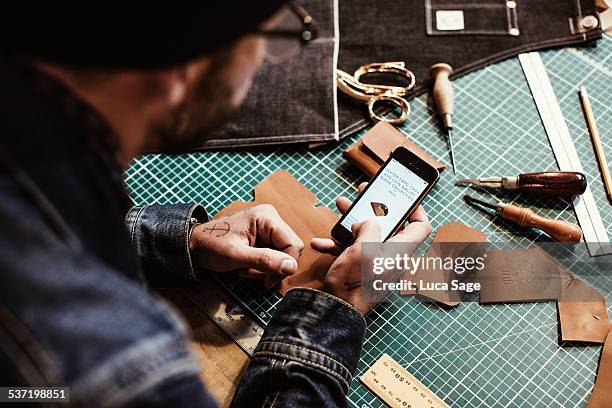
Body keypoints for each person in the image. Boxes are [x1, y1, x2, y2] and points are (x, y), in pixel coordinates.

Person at [0, 3, 431, 406]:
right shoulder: (112, 366)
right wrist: (340, 305)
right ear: (181, 68)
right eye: (267, 37)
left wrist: (182, 242)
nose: (266, 59)